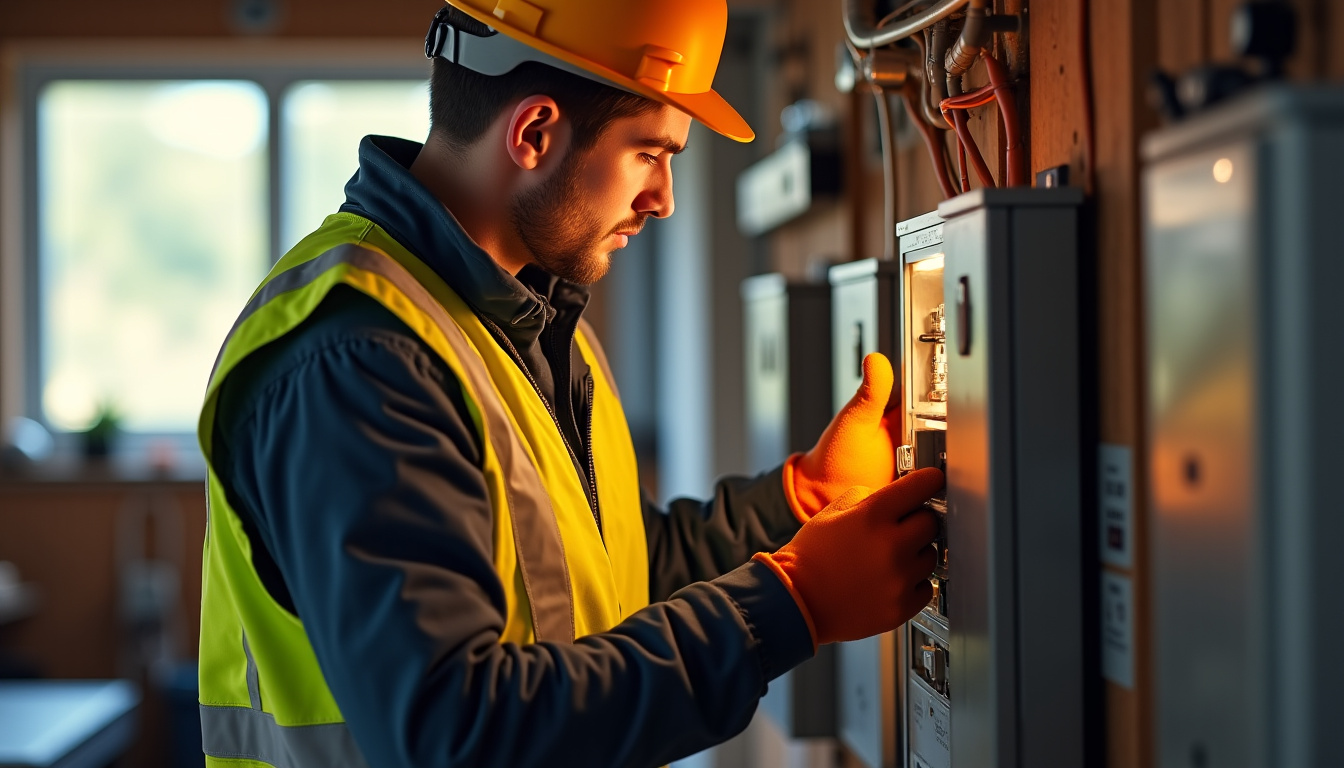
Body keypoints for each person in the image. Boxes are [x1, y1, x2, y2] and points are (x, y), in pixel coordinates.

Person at [196, 0, 943, 766]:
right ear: (534, 134)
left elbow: (619, 575)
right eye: (650, 153)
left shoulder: (534, 325)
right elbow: (457, 733)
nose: (663, 199)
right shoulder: (356, 356)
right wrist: (795, 603)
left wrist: (800, 501)